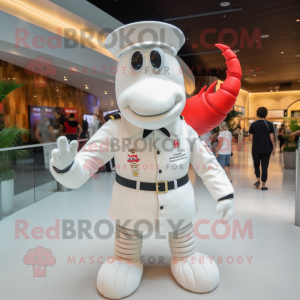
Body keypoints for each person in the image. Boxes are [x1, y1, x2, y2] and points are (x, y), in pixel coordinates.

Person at [249, 107, 275, 190]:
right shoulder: (270, 124)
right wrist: (273, 148)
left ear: (257, 114)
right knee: (264, 167)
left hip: (256, 148)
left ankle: (258, 180)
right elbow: (272, 138)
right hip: (267, 149)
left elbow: (250, 138)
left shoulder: (253, 124)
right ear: (266, 114)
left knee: (256, 165)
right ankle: (263, 185)